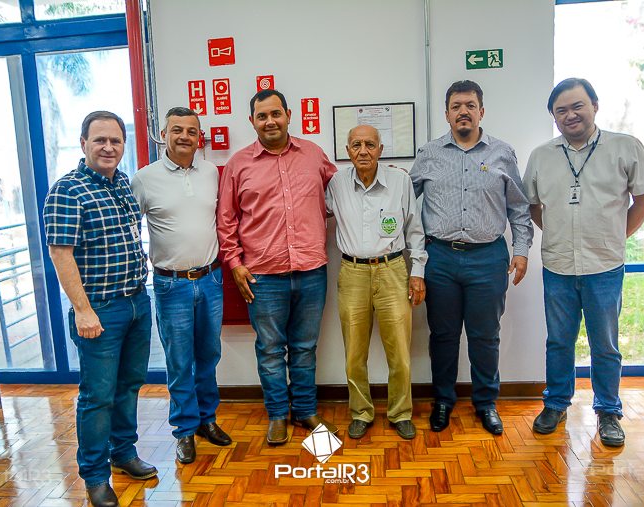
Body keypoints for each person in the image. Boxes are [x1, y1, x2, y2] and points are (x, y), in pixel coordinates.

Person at [523, 78, 644, 447]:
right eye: (561, 110)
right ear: (553, 116)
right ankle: (556, 404)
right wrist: (559, 233)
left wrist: (616, 236)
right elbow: (532, 206)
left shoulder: (625, 147)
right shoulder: (542, 156)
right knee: (558, 342)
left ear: (594, 106)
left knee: (605, 345)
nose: (570, 115)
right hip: (558, 267)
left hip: (605, 268)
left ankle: (608, 411)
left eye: (577, 106)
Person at [44, 111, 156, 507]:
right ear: (83, 144)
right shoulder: (67, 191)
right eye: (100, 140)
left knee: (129, 385)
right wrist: (82, 310)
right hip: (99, 311)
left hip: (136, 302)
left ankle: (123, 452)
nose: (108, 147)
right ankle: (94, 476)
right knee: (97, 396)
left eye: (115, 141)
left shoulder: (122, 183)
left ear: (123, 145)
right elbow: (60, 253)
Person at [410, 80, 533, 435]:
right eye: (456, 106)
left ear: (481, 111)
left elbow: (519, 208)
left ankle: (485, 402)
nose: (463, 111)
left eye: (470, 105)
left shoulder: (503, 153)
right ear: (446, 113)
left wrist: (521, 251)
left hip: (488, 258)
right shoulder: (429, 154)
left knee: (485, 336)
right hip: (440, 258)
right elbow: (404, 202)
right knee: (443, 335)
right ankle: (443, 400)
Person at [217, 89, 338, 445]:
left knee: (305, 347)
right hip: (263, 276)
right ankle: (277, 415)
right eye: (262, 116)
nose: (270, 121)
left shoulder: (314, 155)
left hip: (311, 271)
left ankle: (305, 411)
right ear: (252, 121)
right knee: (270, 350)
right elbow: (226, 220)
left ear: (288, 115)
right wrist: (234, 263)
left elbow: (344, 193)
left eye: (275, 114)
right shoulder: (239, 165)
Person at [131, 107, 231, 465]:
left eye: (191, 130)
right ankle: (184, 430)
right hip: (171, 285)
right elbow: (129, 228)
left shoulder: (211, 173)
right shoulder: (145, 178)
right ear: (164, 134)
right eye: (177, 130)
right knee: (179, 361)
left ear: (199, 136)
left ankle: (207, 420)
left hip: (211, 279)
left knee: (209, 355)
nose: (185, 136)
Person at [326, 125, 427, 440]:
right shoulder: (336, 184)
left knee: (399, 351)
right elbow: (315, 212)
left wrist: (418, 271)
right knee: (354, 352)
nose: (363, 151)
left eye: (370, 144)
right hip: (352, 273)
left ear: (381, 150)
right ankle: (360, 412)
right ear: (347, 151)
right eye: (356, 144)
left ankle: (400, 413)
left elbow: (415, 229)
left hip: (392, 270)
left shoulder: (400, 181)